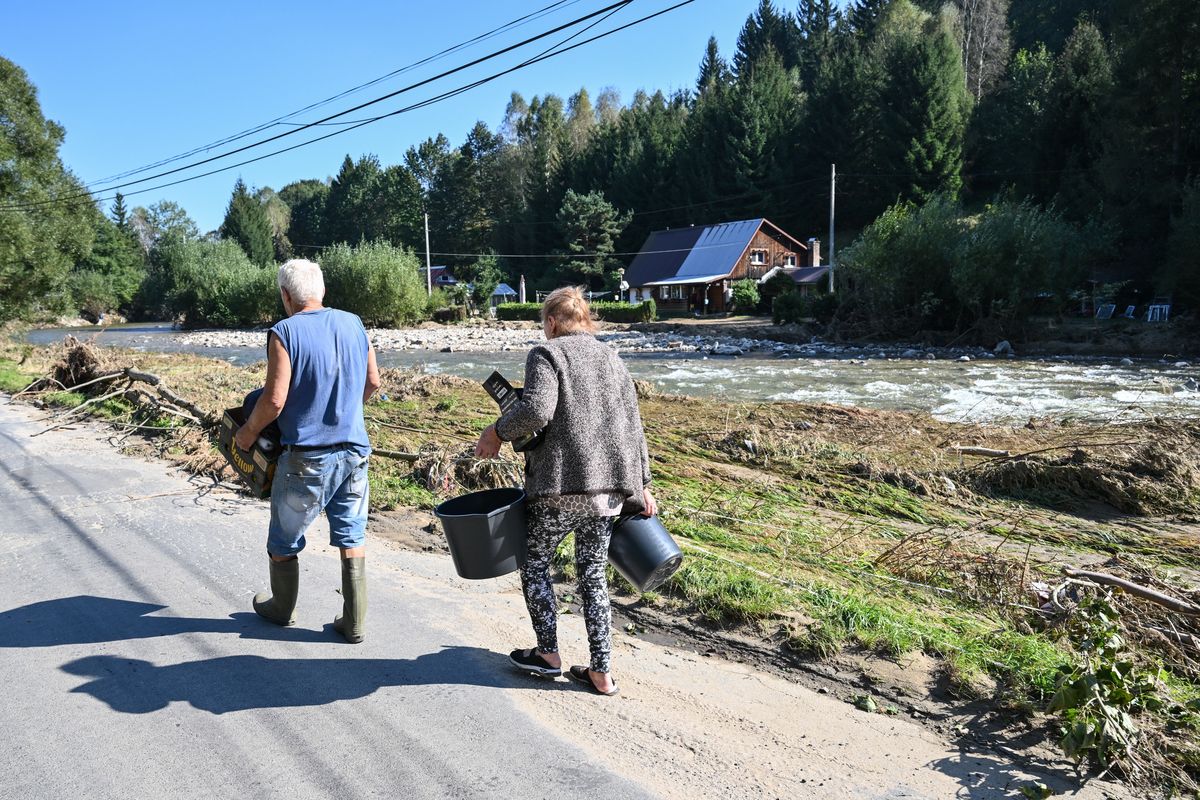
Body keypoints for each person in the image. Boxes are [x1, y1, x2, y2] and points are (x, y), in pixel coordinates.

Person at [474, 286, 657, 696]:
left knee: (535, 561)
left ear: (553, 322)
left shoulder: (549, 354)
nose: (545, 331)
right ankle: (602, 672)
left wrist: (496, 432)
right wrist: (643, 483)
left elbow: (538, 409)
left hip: (560, 486)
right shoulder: (612, 357)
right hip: (608, 490)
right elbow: (634, 424)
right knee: (592, 576)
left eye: (545, 324)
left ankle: (548, 653)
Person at [234, 258, 381, 643]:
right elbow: (373, 381)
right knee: (351, 535)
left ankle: (281, 609)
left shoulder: (283, 331)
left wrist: (248, 434)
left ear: (286, 295)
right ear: (322, 290)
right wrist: (346, 412)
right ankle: (354, 623)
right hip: (354, 452)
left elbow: (274, 401)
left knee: (283, 539)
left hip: (307, 457)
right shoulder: (354, 322)